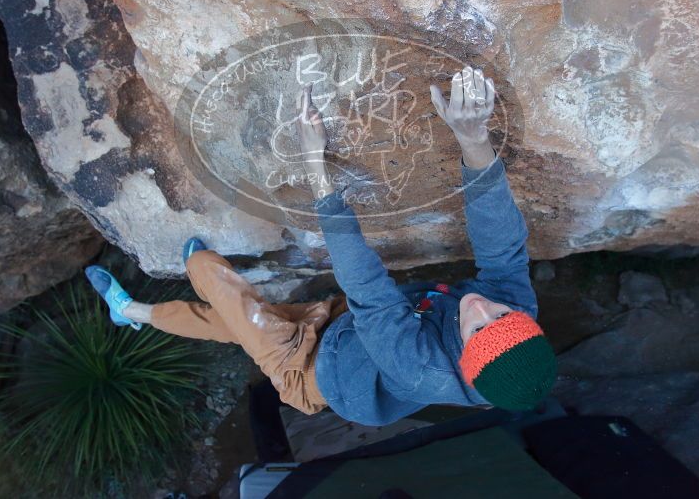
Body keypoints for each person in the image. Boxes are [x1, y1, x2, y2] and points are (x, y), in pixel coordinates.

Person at [85, 66, 557, 426]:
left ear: (465, 361)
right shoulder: (516, 309)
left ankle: (190, 272)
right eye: (503, 316)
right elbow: (502, 246)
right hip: (347, 330)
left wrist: (316, 166)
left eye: (476, 330)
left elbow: (367, 285)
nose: (479, 305)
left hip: (310, 370)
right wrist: (473, 141)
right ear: (527, 325)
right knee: (231, 323)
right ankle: (132, 314)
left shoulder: (420, 368)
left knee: (221, 286)